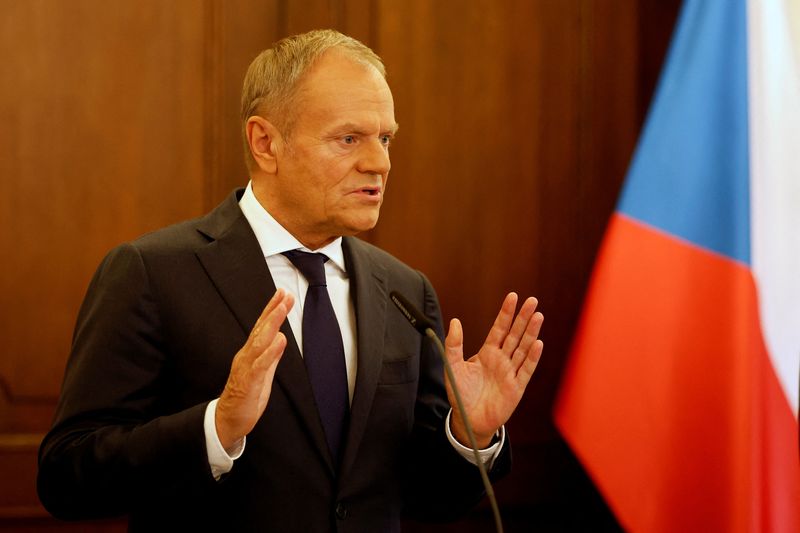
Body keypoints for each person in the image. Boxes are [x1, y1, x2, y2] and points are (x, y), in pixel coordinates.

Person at [37, 29, 544, 532]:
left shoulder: (404, 291)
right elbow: (68, 477)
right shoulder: (152, 273)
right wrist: (218, 427)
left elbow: (425, 501)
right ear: (266, 143)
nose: (380, 162)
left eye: (385, 137)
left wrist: (467, 435)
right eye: (349, 138)